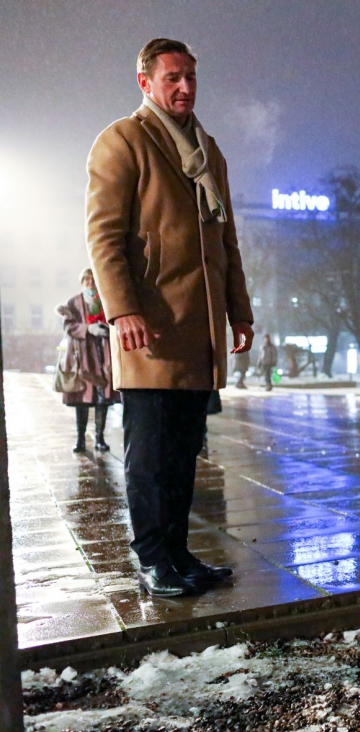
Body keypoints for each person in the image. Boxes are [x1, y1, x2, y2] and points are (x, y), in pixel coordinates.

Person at [86, 38, 254, 596]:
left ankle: (179, 554)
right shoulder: (123, 140)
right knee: (150, 456)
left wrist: (239, 312)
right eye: (172, 78)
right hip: (151, 328)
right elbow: (104, 237)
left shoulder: (208, 150)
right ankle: (153, 558)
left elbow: (226, 242)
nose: (185, 88)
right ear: (145, 82)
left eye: (191, 77)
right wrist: (123, 310)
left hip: (198, 331)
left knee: (183, 453)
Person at [57, 268, 121, 452]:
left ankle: (100, 439)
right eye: (87, 280)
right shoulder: (74, 302)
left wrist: (106, 329)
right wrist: (88, 329)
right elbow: (68, 325)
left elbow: (115, 321)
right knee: (82, 400)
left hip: (103, 356)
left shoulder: (105, 301)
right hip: (83, 357)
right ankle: (80, 439)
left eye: (93, 280)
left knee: (102, 399)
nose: (90, 284)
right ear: (82, 282)